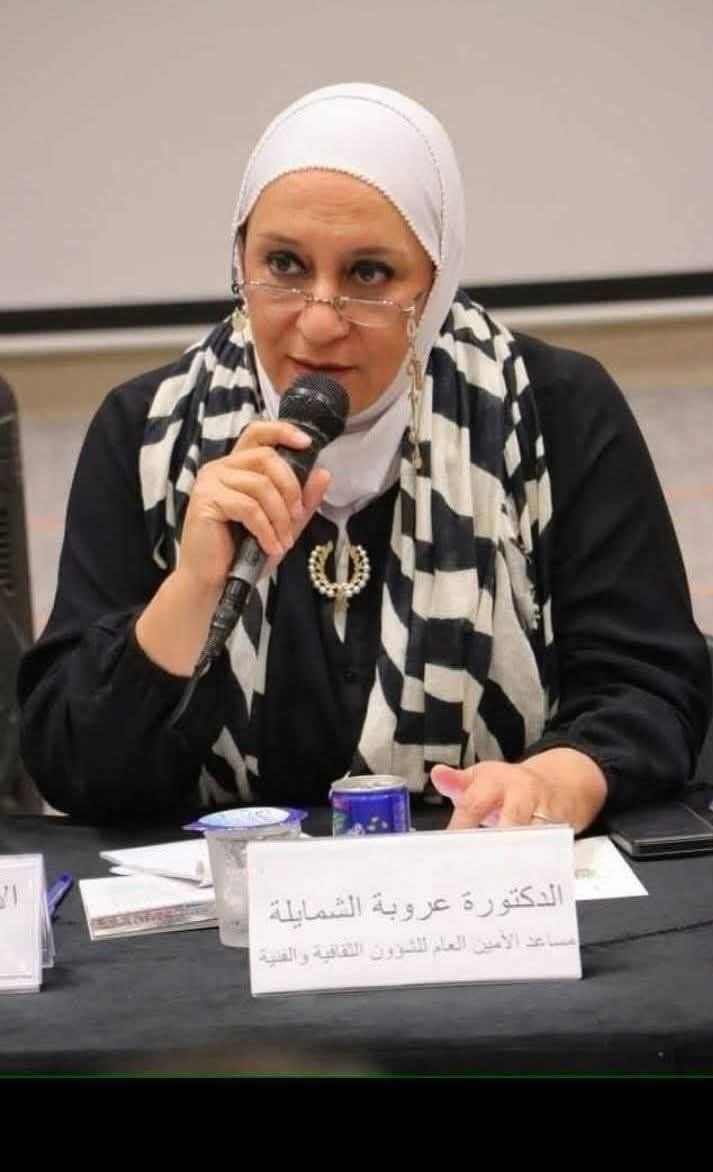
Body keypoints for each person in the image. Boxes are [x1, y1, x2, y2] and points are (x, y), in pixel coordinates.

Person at [18, 82, 711, 829]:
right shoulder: (149, 431)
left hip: (487, 871)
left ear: (435, 284)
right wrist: (193, 588)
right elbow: (73, 767)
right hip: (232, 891)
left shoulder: (550, 411)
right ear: (239, 262)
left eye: (368, 275)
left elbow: (650, 687)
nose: (319, 322)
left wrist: (555, 781)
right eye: (284, 265)